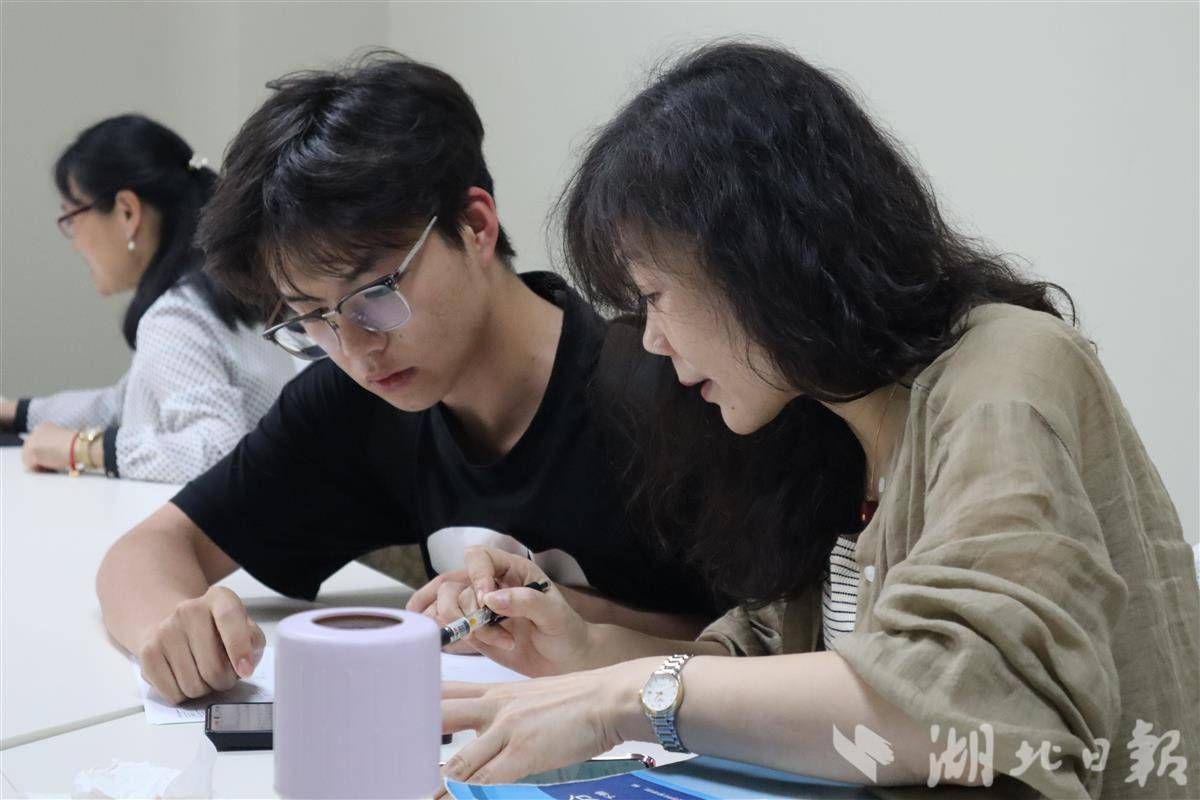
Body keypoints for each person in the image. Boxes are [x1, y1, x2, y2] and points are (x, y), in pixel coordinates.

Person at [436, 43, 1200, 798]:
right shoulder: (818, 429)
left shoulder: (1009, 371)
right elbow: (771, 673)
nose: (655, 342)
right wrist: (584, 650)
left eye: (654, 297)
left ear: (757, 257)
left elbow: (956, 708)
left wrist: (619, 698)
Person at [95, 52, 749, 706]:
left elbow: (776, 653)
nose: (355, 348)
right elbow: (151, 550)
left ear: (475, 225)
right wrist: (171, 632)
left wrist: (578, 617)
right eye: (311, 317)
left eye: (375, 295)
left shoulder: (671, 391)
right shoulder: (358, 405)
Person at [1, 115, 294, 482]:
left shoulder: (176, 319)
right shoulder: (221, 295)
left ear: (127, 212)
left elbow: (219, 450)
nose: (73, 243)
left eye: (71, 217)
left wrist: (80, 448)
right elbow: (122, 402)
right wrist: (16, 411)